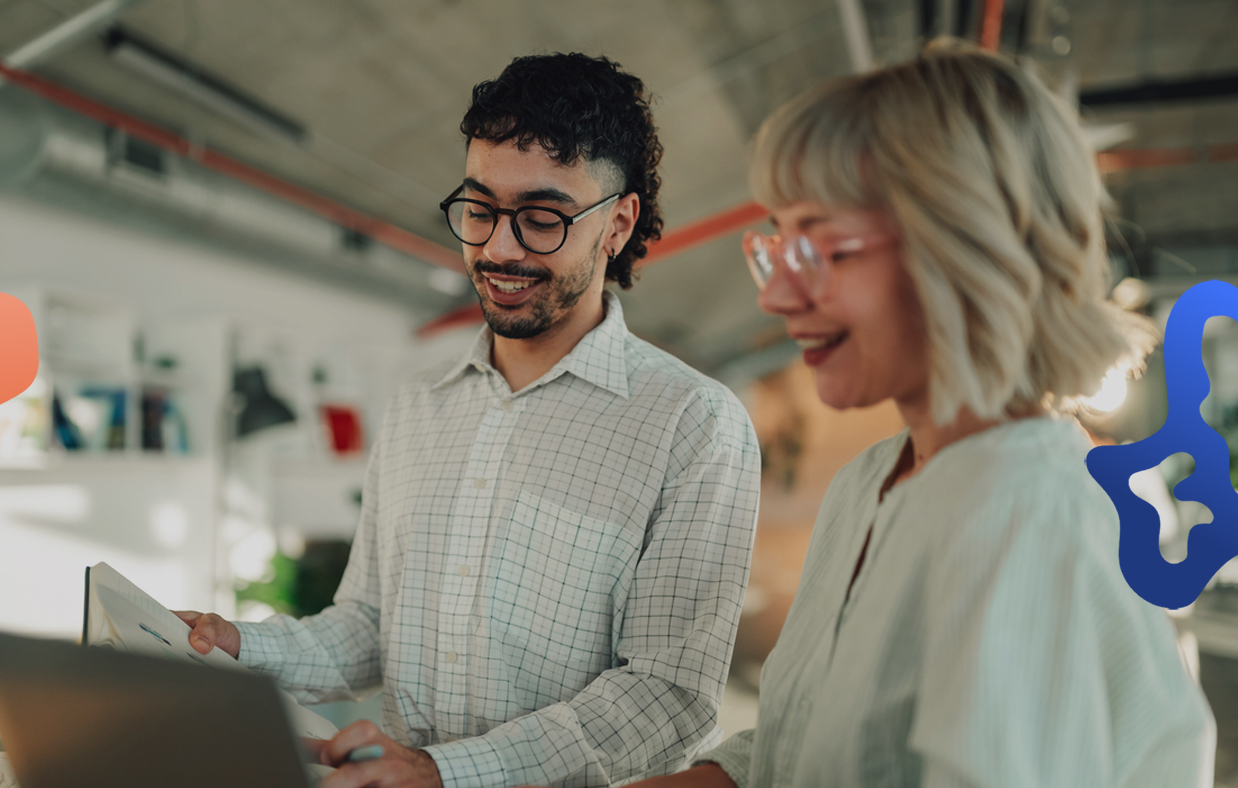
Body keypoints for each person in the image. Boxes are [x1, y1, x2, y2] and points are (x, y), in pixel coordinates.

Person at [626, 40, 1215, 788]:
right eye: (779, 247)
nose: (774, 299)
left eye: (824, 248)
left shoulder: (1022, 518)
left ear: (960, 248)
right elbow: (803, 748)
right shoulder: (868, 481)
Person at [179, 53, 761, 788]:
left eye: (543, 218)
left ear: (618, 224)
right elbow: (367, 626)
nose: (499, 248)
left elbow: (664, 698)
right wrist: (235, 645)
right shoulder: (420, 405)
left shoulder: (693, 423)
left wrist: (443, 772)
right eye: (481, 209)